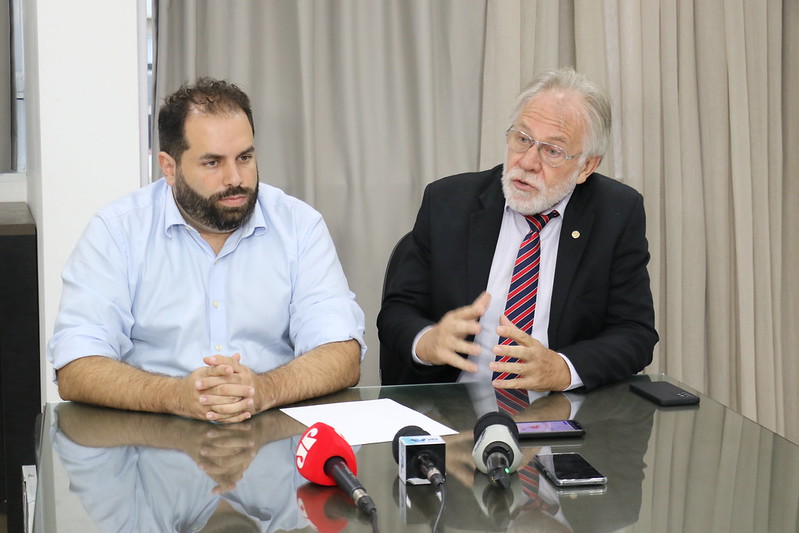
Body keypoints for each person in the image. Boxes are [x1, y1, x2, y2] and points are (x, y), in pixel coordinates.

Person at [48, 77, 365, 423]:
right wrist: (175, 396)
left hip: (273, 428)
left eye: (244, 157)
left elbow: (341, 352)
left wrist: (264, 389)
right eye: (213, 162)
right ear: (169, 168)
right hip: (154, 434)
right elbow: (76, 365)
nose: (235, 178)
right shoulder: (117, 231)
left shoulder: (299, 225)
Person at [377, 67, 657, 392]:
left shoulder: (616, 214)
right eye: (522, 139)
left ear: (587, 166)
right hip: (453, 406)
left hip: (558, 408)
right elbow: (397, 311)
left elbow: (635, 333)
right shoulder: (447, 202)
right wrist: (428, 340)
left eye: (552, 151)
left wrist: (564, 369)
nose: (527, 162)